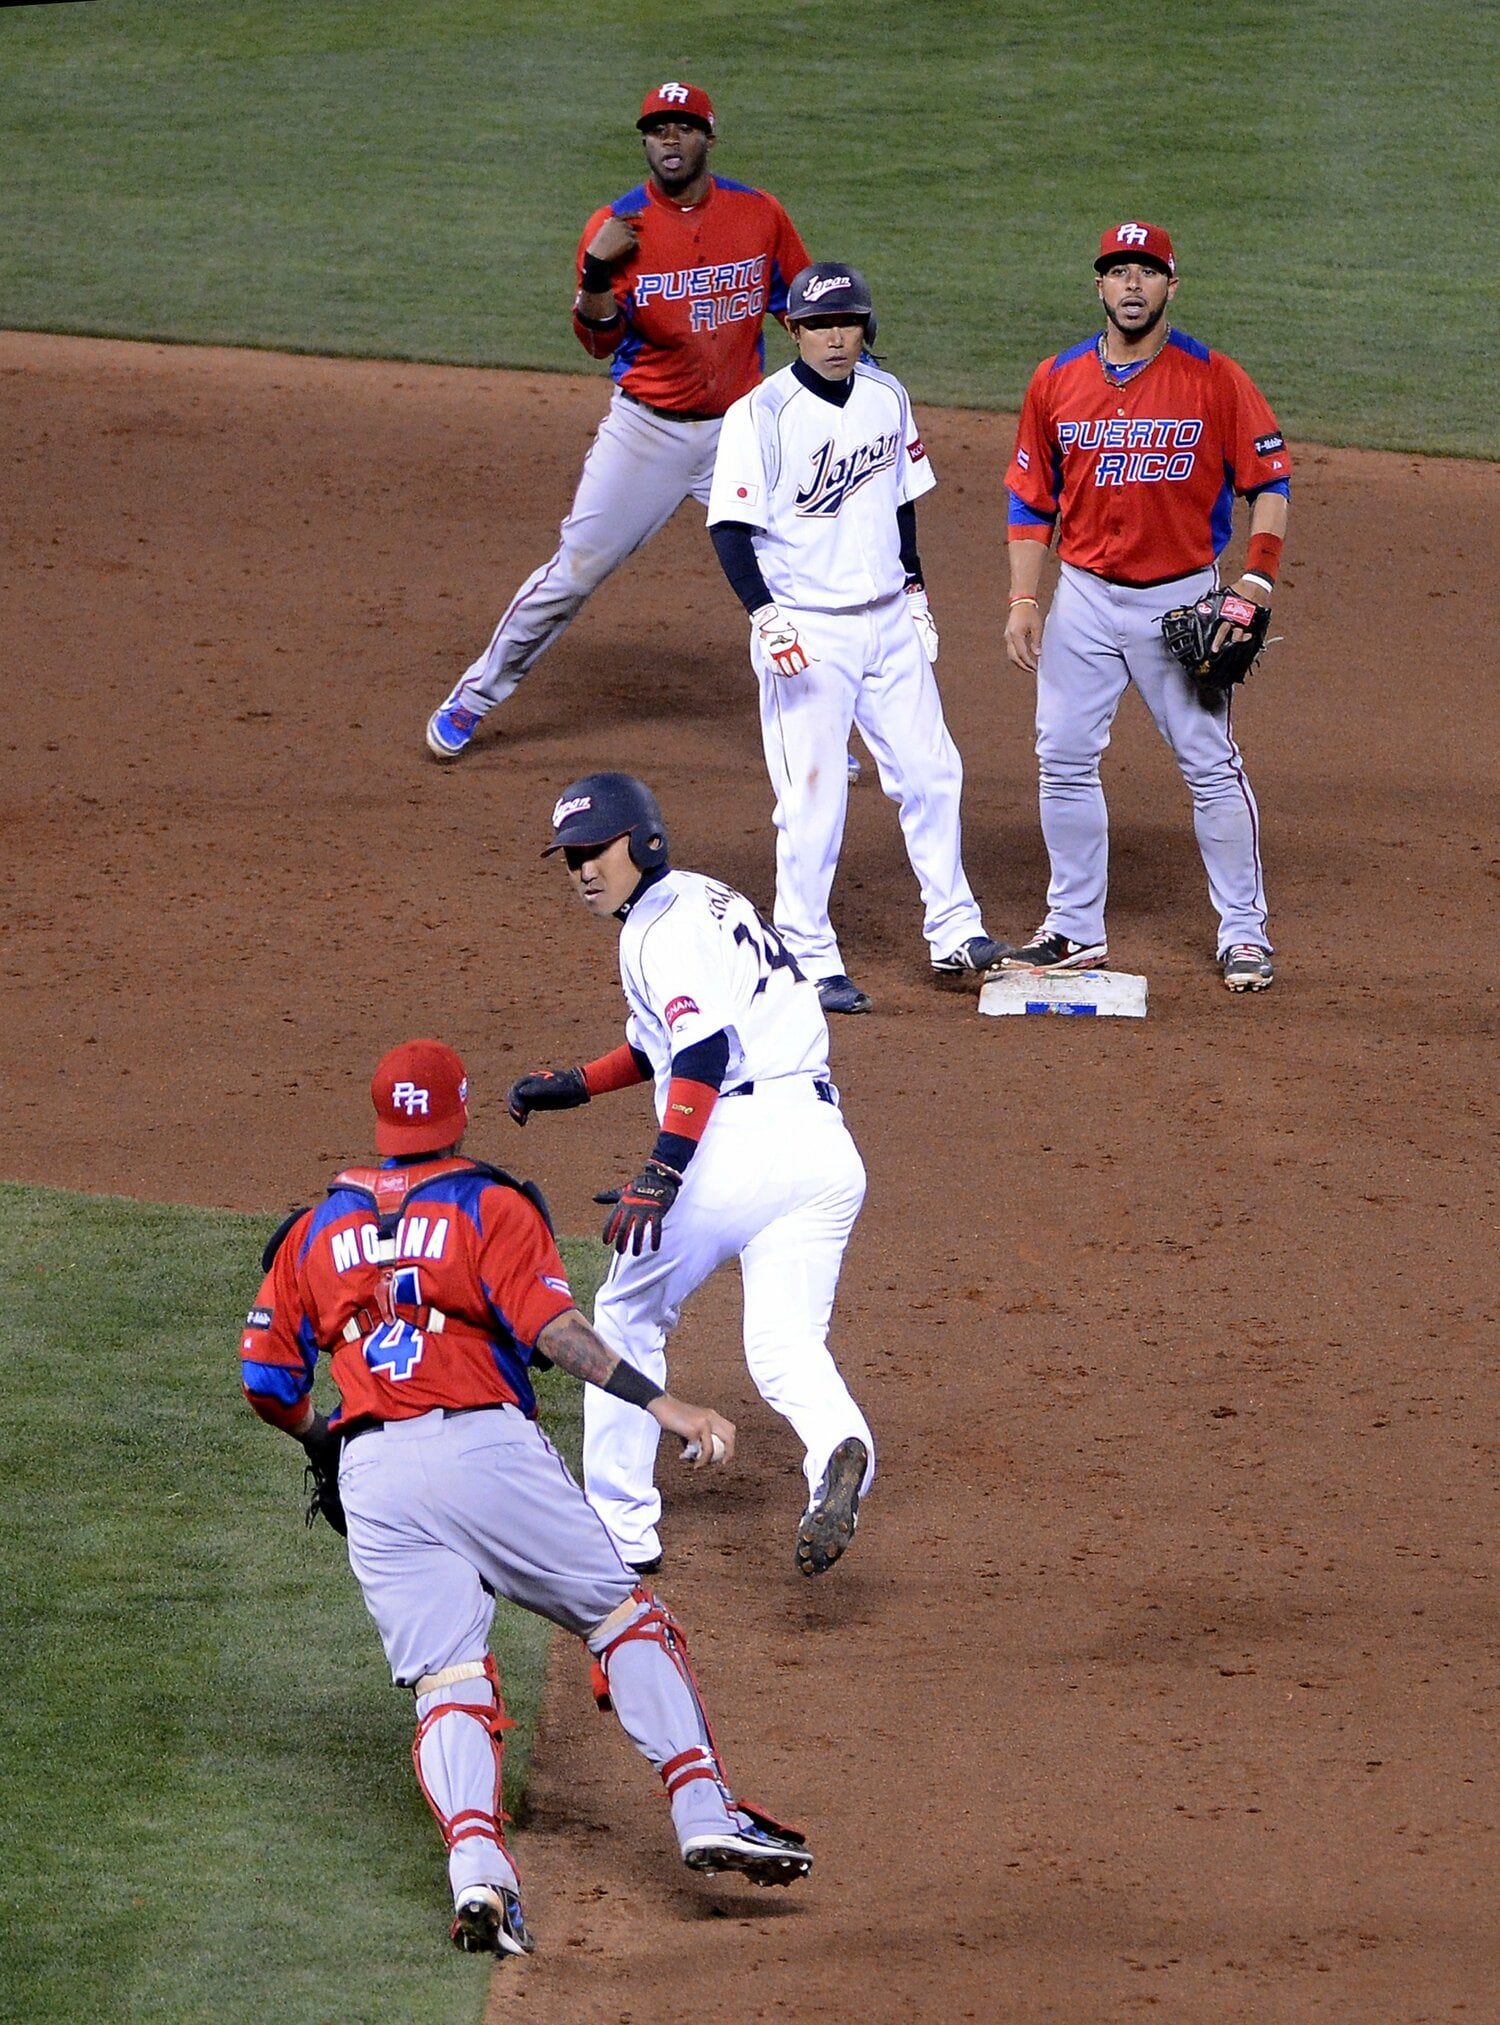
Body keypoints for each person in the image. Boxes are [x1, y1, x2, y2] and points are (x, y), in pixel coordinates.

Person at [239, 1038, 813, 1962]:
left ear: (382, 1118)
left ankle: (479, 1877)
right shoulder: (489, 1202)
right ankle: (704, 1806)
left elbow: (264, 1380)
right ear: (458, 1111)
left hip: (376, 1472)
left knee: (449, 1682)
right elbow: (553, 1329)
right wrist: (664, 1404)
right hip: (483, 1445)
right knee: (624, 1617)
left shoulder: (313, 1230)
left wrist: (328, 1438)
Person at [507, 772, 874, 1577]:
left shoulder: (654, 932)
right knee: (783, 1343)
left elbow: (704, 1052)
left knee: (626, 1310)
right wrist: (576, 1081)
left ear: (643, 842)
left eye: (596, 850)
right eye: (570, 858)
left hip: (735, 1138)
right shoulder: (704, 902)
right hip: (820, 1144)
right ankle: (839, 1450)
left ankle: (617, 1527)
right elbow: (660, 1045)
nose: (582, 871)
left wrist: (662, 1172)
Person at [425, 81, 809, 761]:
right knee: (574, 571)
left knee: (793, 577)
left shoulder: (759, 214)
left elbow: (797, 306)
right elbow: (600, 341)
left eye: (683, 127)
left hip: (739, 432)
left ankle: (810, 727)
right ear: (644, 139)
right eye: (657, 127)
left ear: (708, 138)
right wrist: (597, 278)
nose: (669, 139)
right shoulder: (617, 226)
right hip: (647, 432)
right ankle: (472, 698)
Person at [704, 262, 1011, 1014]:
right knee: (814, 800)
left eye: (847, 322)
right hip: (807, 630)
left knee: (934, 774)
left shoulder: (887, 396)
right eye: (818, 325)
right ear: (791, 330)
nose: (835, 337)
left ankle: (954, 930)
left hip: (885, 622)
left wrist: (914, 588)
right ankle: (806, 951)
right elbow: (729, 527)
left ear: (865, 327)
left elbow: (901, 501)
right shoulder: (761, 413)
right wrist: (763, 614)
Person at [1001, 221, 1292, 991]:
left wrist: (1255, 581)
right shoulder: (1055, 378)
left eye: (1148, 272)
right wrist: (1026, 597)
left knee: (1208, 764)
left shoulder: (1214, 377)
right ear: (1098, 285)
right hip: (1085, 600)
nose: (1133, 285)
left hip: (1181, 599)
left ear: (1172, 286)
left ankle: (1244, 932)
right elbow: (1032, 501)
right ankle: (1072, 928)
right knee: (1061, 758)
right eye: (1118, 271)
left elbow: (1269, 483)